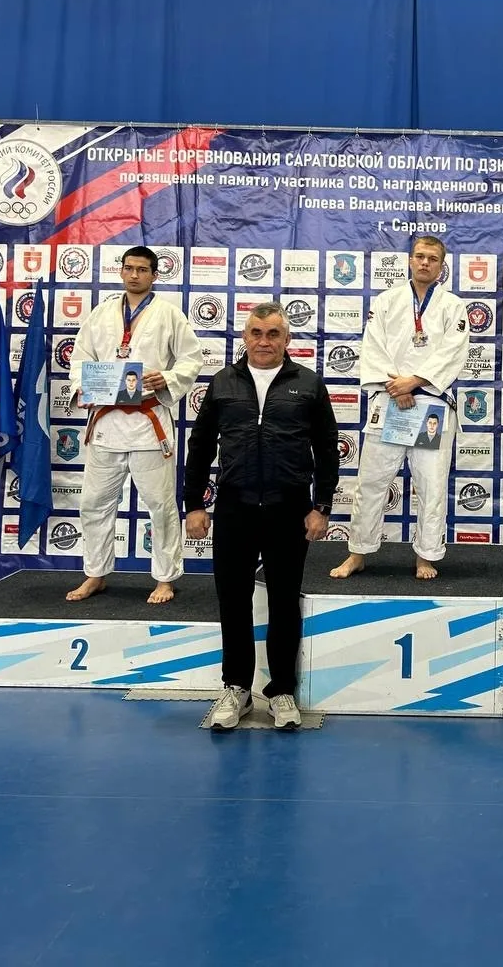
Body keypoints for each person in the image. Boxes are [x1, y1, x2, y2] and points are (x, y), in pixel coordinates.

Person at [184, 303, 339, 732]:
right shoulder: (223, 382)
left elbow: (327, 448)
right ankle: (236, 687)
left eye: (273, 334)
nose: (264, 341)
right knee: (232, 600)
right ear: (245, 337)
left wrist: (322, 506)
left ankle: (282, 691)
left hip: (289, 508)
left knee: (284, 602)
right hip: (234, 506)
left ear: (287, 339)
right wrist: (194, 504)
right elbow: (200, 447)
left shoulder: (308, 383)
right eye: (256, 333)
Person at [67, 246, 202, 605]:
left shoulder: (169, 314)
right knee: (94, 503)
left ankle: (165, 578)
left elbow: (191, 359)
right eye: (129, 268)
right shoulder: (101, 314)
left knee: (160, 505)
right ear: (121, 271)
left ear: (154, 275)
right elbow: (80, 359)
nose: (134, 275)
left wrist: (167, 378)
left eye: (142, 270)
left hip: (148, 423)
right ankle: (95, 573)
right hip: (107, 423)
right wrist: (84, 385)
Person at [330, 236, 469, 580]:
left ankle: (426, 555)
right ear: (410, 260)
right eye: (420, 256)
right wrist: (397, 387)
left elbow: (453, 351)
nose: (425, 263)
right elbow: (373, 347)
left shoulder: (453, 306)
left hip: (431, 404)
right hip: (390, 398)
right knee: (371, 482)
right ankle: (358, 552)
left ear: (441, 266)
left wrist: (415, 382)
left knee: (431, 486)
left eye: (432, 258)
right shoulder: (386, 301)